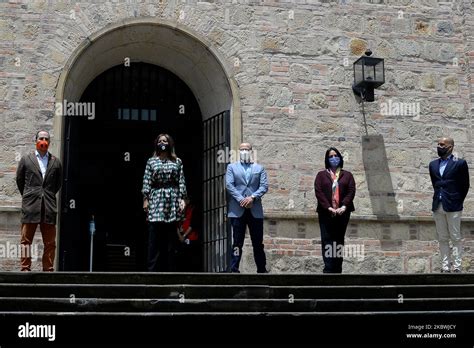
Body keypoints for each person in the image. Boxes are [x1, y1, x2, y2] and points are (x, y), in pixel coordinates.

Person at [16, 130, 63, 271]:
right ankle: (25, 268)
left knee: (50, 242)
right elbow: (20, 180)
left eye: (46, 139)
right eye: (41, 138)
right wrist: (29, 195)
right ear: (36, 140)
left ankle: (48, 269)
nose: (44, 141)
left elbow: (57, 184)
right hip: (30, 206)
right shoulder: (26, 159)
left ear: (49, 142)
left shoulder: (56, 162)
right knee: (26, 241)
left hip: (48, 207)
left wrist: (46, 195)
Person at [142, 134, 187, 272]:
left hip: (172, 198)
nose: (162, 143)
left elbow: (181, 181)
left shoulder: (177, 161)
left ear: (170, 144)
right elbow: (147, 180)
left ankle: (171, 270)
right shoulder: (151, 161)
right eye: (160, 141)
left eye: (165, 141)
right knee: (154, 236)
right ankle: (152, 270)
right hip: (156, 198)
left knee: (171, 237)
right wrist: (145, 199)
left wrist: (183, 199)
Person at [225, 142, 269, 273]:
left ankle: (261, 269)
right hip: (237, 209)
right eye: (242, 149)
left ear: (251, 151)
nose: (244, 151)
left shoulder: (259, 168)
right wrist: (242, 199)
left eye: (247, 149)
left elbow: (264, 186)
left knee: (258, 242)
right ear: (239, 151)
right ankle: (234, 268)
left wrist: (252, 197)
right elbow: (229, 185)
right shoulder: (231, 167)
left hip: (255, 209)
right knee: (237, 242)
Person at [429, 137, 470, 273]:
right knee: (442, 237)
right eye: (438, 144)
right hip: (438, 204)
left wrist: (458, 201)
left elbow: (465, 185)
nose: (439, 146)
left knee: (455, 236)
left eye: (442, 144)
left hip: (453, 205)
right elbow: (435, 184)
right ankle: (445, 266)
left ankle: (457, 266)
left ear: (450, 147)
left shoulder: (459, 163)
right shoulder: (433, 165)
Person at [314, 147, 355, 273]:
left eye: (335, 155)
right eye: (330, 156)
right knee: (327, 239)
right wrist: (328, 207)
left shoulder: (347, 175)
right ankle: (328, 268)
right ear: (327, 159)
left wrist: (344, 206)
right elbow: (319, 192)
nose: (333, 158)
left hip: (342, 213)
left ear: (340, 158)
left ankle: (337, 268)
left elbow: (351, 191)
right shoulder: (321, 175)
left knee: (338, 240)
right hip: (326, 213)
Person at [177, 196, 201, 272]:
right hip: (181, 239)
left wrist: (184, 236)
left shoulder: (193, 210)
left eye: (184, 200)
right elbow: (176, 225)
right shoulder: (179, 211)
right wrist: (180, 236)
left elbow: (193, 225)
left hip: (191, 238)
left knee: (192, 259)